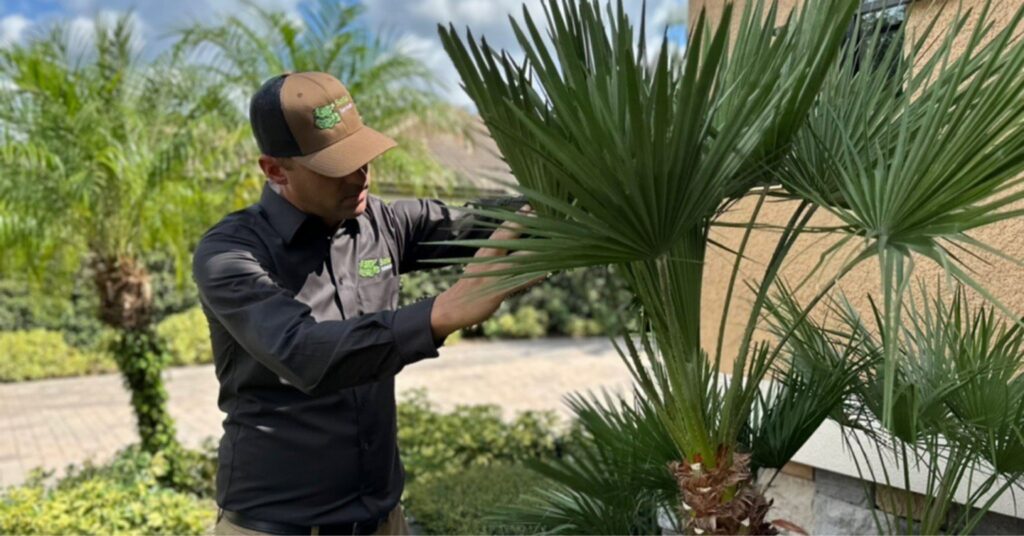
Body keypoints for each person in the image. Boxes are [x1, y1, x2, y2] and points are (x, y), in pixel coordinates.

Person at [193, 71, 533, 535]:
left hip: (383, 521)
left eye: (363, 155)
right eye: (337, 165)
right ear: (275, 170)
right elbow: (301, 352)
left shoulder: (383, 224)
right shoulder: (231, 254)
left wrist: (558, 205)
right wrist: (442, 313)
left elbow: (484, 223)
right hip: (277, 526)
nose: (361, 174)